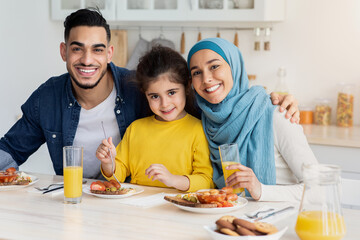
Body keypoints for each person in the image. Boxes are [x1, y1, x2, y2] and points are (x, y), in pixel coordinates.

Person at [0, 8, 298, 179]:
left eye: (97, 50)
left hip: (133, 204)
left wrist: (263, 98)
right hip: (78, 202)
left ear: (110, 53)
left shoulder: (138, 89)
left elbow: (206, 100)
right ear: (64, 52)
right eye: (77, 49)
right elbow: (9, 151)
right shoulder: (48, 97)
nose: (87, 60)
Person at [187, 38, 318, 202]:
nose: (206, 79)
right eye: (196, 72)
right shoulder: (204, 121)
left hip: (279, 221)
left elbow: (320, 189)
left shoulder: (277, 115)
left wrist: (260, 190)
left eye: (214, 66)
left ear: (234, 67)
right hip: (229, 220)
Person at [96, 46, 214, 192]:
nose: (165, 104)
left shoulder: (198, 130)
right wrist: (108, 163)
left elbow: (206, 181)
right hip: (136, 208)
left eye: (171, 93)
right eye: (155, 96)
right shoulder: (135, 129)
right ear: (145, 94)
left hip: (179, 209)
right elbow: (117, 175)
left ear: (187, 86)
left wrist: (172, 179)